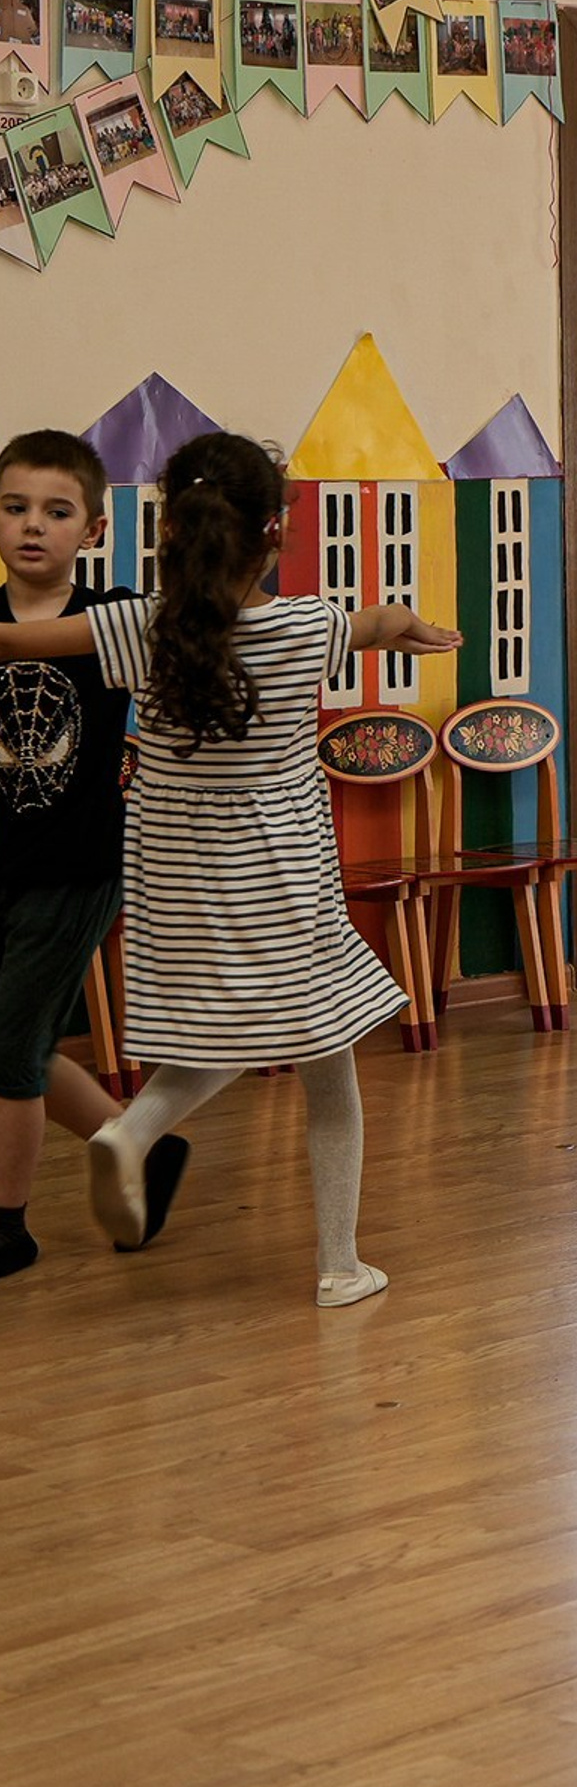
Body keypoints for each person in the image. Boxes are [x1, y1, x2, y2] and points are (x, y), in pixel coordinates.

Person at [0, 433, 458, 1305]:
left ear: (167, 532)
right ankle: (337, 1264)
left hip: (175, 884)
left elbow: (16, 645)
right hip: (281, 880)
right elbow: (382, 621)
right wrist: (420, 629)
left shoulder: (133, 627)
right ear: (272, 536)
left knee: (234, 1034)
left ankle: (133, 1135)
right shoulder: (305, 625)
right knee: (327, 1058)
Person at [0, 431, 181, 1279]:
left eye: (56, 511)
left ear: (94, 531)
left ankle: (8, 1225)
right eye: (14, 508)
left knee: (8, 1051)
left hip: (75, 871)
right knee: (21, 1044)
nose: (33, 526)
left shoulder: (118, 620)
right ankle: (136, 1144)